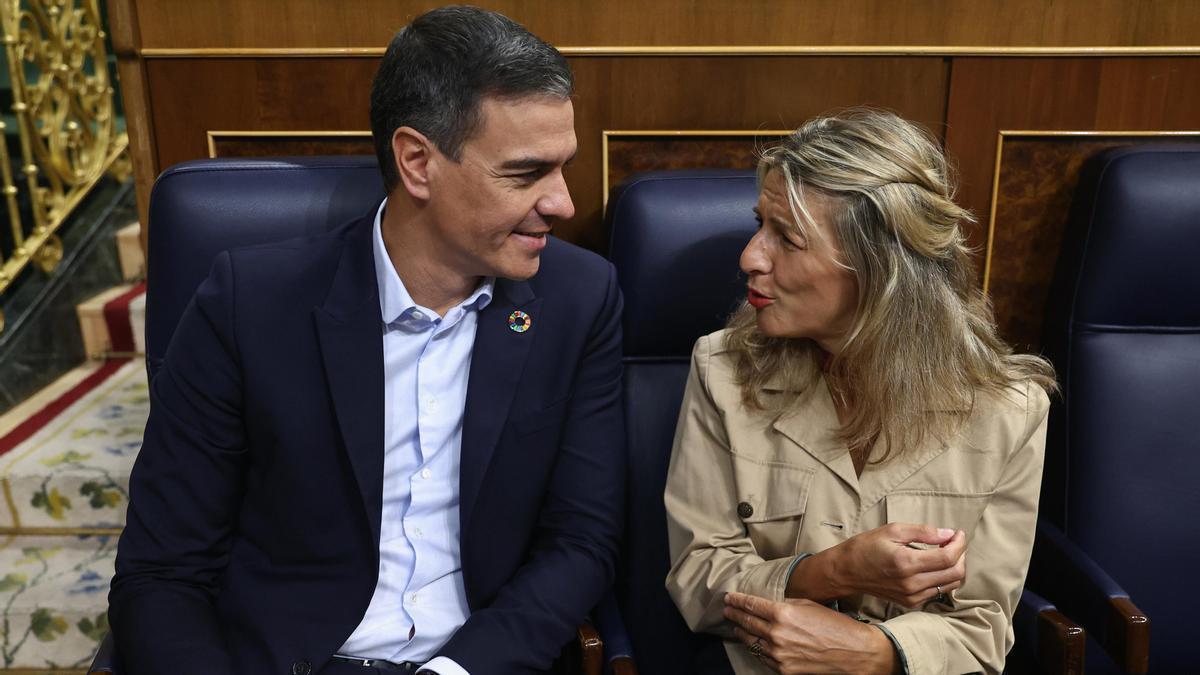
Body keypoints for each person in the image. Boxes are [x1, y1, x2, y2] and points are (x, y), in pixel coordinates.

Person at [109, 6, 625, 675]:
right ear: (417, 162)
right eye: (526, 173)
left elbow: (581, 541)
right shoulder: (250, 305)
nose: (563, 202)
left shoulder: (580, 300)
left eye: (565, 167)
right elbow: (162, 570)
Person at [664, 109, 1055, 674]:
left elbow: (983, 629)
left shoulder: (1008, 409)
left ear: (880, 268)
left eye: (787, 239)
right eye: (759, 225)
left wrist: (876, 655)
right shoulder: (722, 369)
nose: (750, 256)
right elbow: (698, 579)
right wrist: (833, 572)